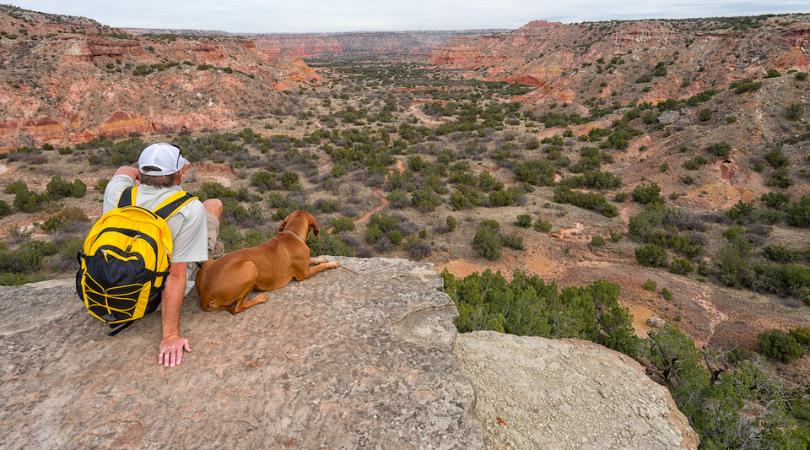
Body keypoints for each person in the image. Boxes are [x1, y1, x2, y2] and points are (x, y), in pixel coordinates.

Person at [103, 143, 224, 368]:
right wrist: (170, 336)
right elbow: (176, 276)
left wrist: (140, 178)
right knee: (213, 205)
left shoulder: (117, 192)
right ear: (178, 176)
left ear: (142, 172)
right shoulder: (189, 209)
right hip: (152, 297)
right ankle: (210, 259)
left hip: (112, 288)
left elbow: (123, 170)